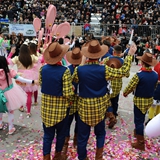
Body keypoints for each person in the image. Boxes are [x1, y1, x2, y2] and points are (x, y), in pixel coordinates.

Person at [72, 40, 137, 160]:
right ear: (99, 55)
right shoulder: (104, 70)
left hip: (84, 109)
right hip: (100, 109)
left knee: (82, 137)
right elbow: (124, 71)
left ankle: (82, 157)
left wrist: (82, 62)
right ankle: (99, 157)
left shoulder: (79, 70)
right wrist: (130, 55)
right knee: (100, 134)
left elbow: (75, 80)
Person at [39, 42, 74, 160]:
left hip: (46, 109)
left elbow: (41, 84)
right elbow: (68, 94)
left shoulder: (42, 69)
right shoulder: (64, 71)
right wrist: (71, 89)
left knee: (47, 135)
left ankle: (46, 157)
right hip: (60, 110)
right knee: (61, 134)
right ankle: (58, 155)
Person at [123, 52, 158, 151]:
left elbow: (131, 86)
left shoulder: (139, 75)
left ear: (142, 62)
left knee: (138, 120)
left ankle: (140, 142)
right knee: (142, 117)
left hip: (139, 100)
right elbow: (155, 86)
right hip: (149, 100)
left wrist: (125, 93)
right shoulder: (155, 75)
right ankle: (138, 132)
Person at [0, 56, 37, 135]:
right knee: (10, 111)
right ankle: (10, 128)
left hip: (0, 94)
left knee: (0, 110)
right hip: (10, 93)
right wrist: (32, 81)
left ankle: (0, 124)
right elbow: (21, 79)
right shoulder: (9, 71)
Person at [7, 45, 40, 118]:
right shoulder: (32, 57)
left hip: (20, 77)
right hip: (30, 77)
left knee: (21, 93)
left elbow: (7, 61)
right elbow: (41, 60)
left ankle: (21, 107)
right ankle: (28, 112)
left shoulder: (17, 58)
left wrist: (11, 53)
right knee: (29, 94)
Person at [62, 47, 82, 156]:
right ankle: (76, 141)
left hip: (69, 101)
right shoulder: (83, 70)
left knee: (67, 123)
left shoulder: (66, 69)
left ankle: (65, 145)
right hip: (80, 101)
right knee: (79, 122)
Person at [104, 45, 125, 129]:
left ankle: (109, 114)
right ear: (120, 53)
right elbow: (125, 73)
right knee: (115, 100)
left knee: (108, 100)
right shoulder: (123, 61)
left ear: (114, 52)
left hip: (109, 83)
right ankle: (114, 114)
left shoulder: (108, 59)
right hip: (117, 83)